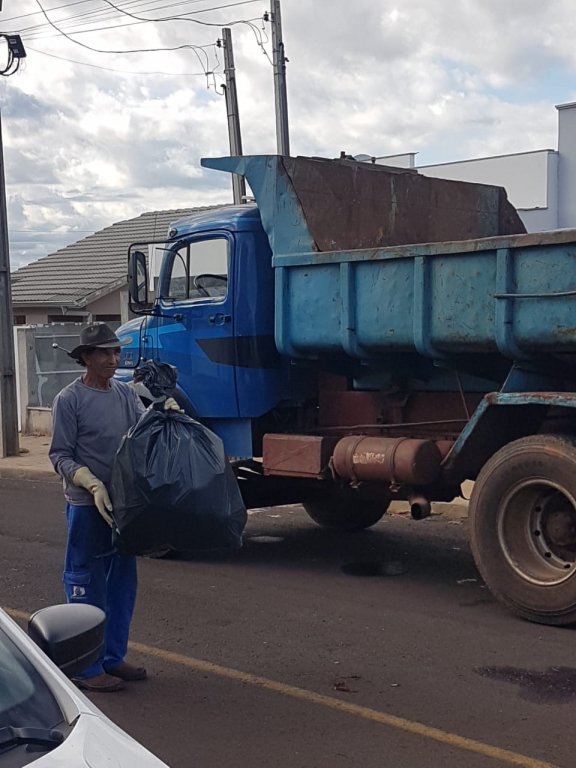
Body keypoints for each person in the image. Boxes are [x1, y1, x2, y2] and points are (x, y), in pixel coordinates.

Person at [49, 322, 179, 693]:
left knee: (122, 580)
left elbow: (140, 433)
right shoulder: (69, 400)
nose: (112, 358)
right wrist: (89, 482)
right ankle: (85, 668)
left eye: (116, 352)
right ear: (86, 358)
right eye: (104, 353)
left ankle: (112, 656)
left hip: (122, 503)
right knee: (86, 582)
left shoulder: (123, 395)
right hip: (87, 505)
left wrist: (162, 412)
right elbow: (59, 454)